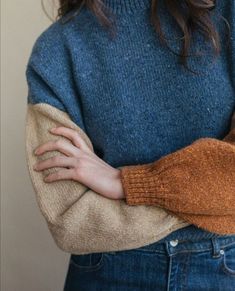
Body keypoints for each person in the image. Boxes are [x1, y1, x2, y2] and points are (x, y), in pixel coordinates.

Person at [25, 0, 235, 290]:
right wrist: (210, 200)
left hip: (223, 270)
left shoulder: (225, 13)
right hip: (107, 272)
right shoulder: (56, 50)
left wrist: (127, 183)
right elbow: (69, 221)